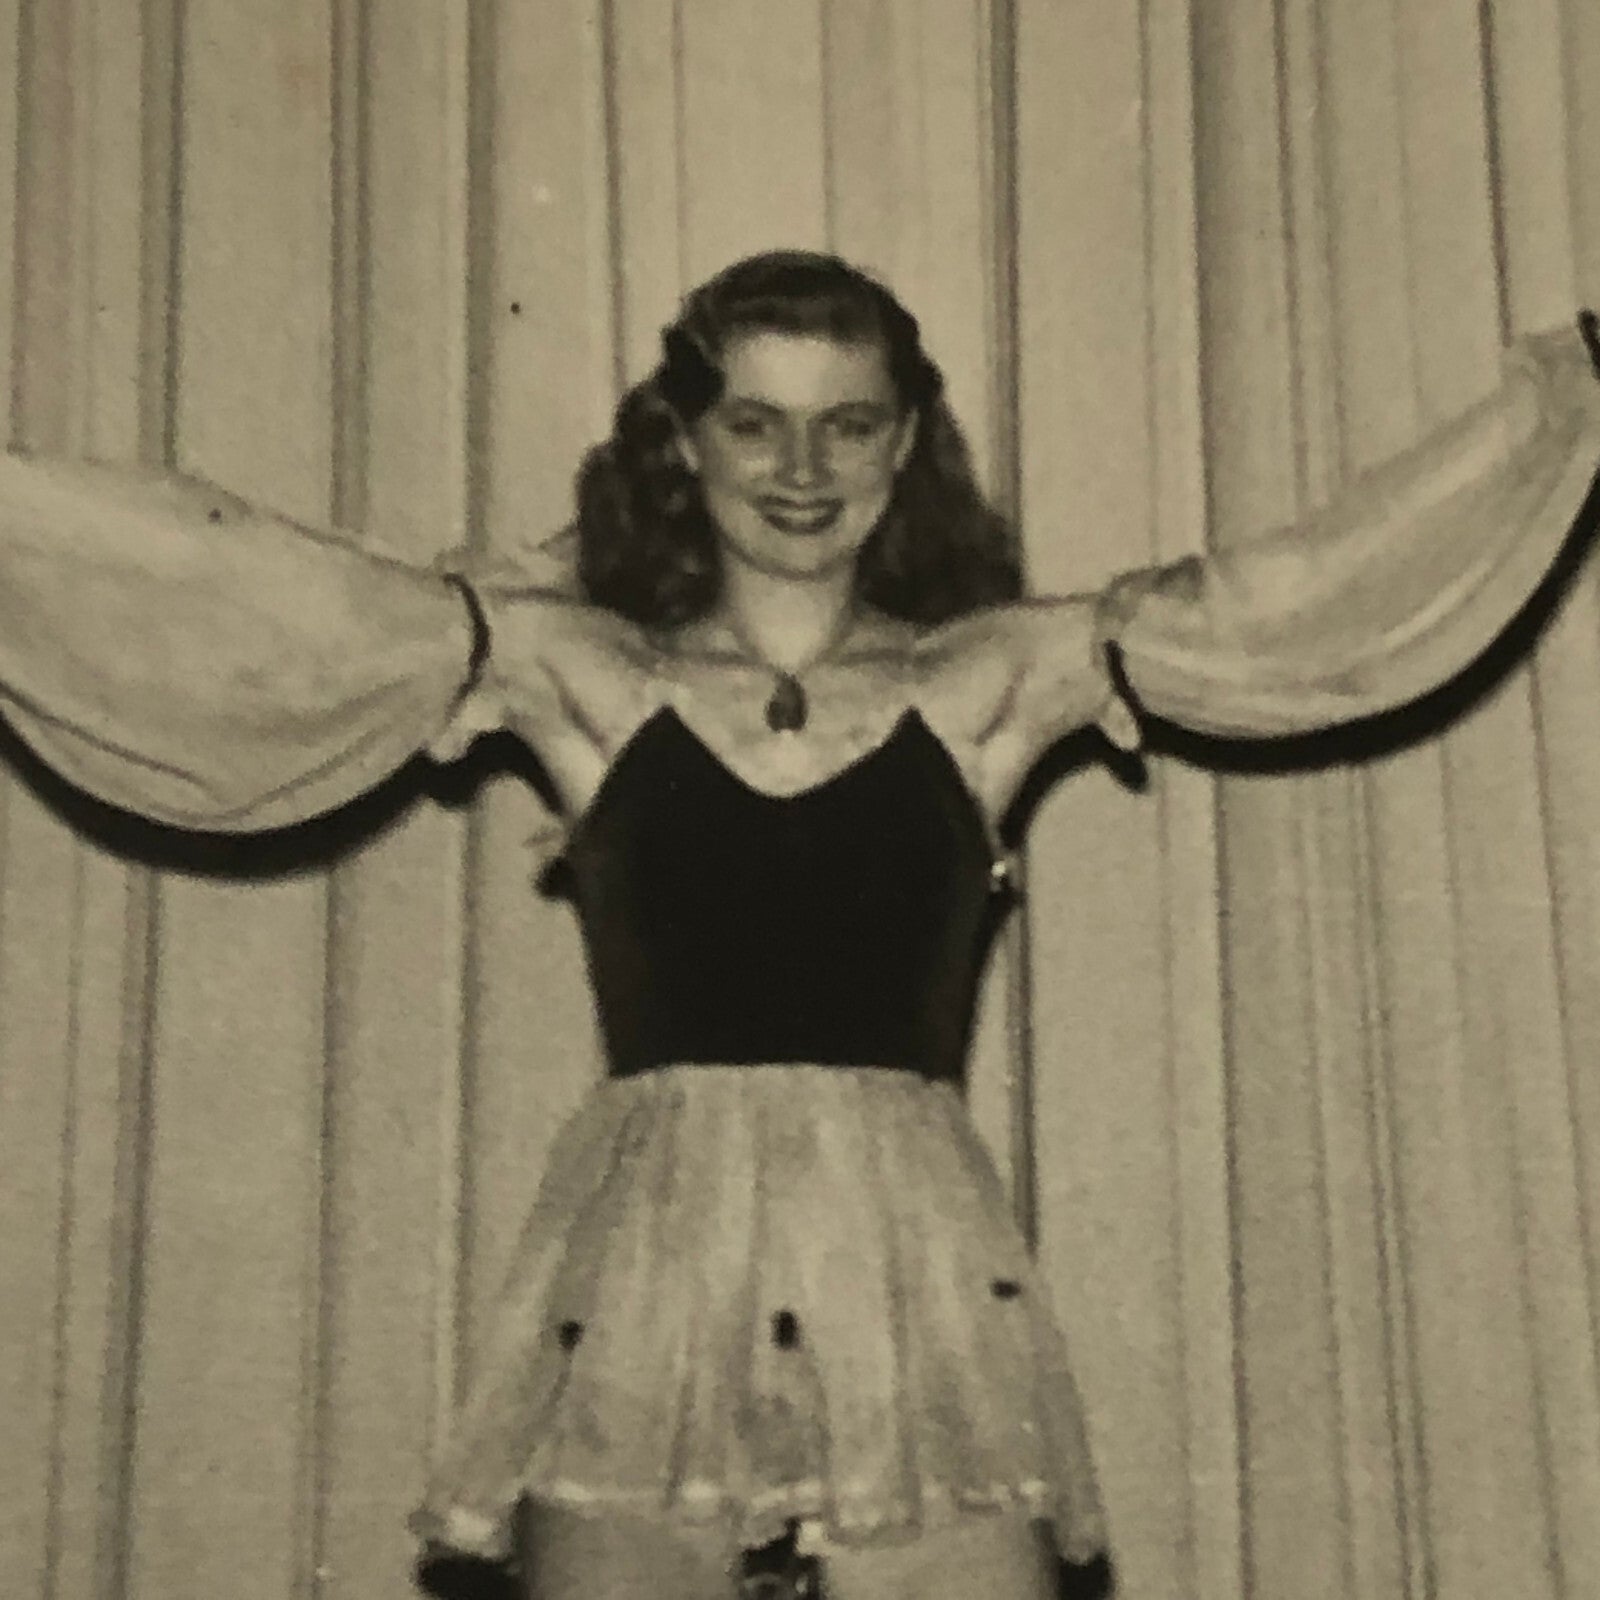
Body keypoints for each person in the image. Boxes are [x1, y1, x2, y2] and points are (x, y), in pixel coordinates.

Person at [0, 254, 1595, 1600]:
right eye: (753, 422)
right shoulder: (575, 671)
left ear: (905, 448)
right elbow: (235, 589)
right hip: (639, 1282)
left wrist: (1570, 400)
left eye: (848, 427)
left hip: (919, 1284)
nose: (801, 470)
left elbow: (1311, 594)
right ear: (683, 441)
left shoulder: (992, 679)